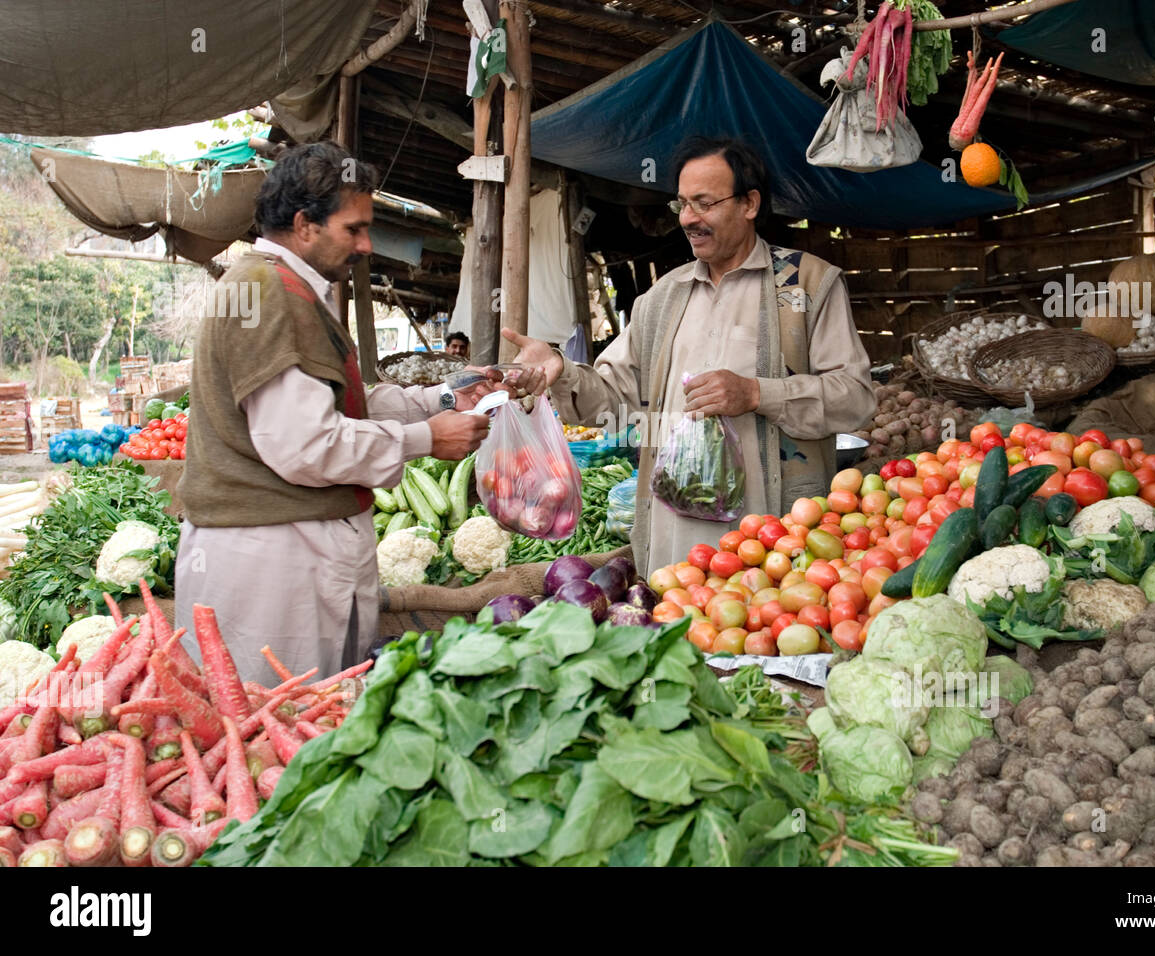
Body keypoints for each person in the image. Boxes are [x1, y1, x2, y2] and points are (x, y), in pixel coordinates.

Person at [175, 141, 539, 685]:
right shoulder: (268, 293)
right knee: (284, 722)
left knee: (298, 716)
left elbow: (344, 402)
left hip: (282, 552)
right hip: (272, 560)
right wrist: (424, 439)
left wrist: (444, 397)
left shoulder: (282, 288)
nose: (367, 244)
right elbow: (305, 446)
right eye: (354, 229)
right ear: (304, 225)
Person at [505, 136, 876, 573]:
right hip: (674, 539)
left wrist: (758, 394)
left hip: (775, 539)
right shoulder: (662, 297)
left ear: (750, 203)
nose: (687, 219)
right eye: (681, 204)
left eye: (704, 203)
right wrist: (562, 370)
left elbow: (855, 398)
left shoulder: (808, 284)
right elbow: (611, 401)